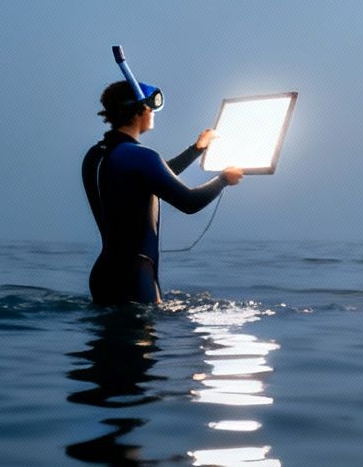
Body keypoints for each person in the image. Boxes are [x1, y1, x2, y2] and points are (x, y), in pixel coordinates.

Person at [81, 79, 242, 305]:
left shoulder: (96, 155)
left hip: (103, 274)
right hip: (136, 276)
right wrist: (223, 179)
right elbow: (189, 202)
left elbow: (153, 175)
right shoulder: (141, 156)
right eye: (152, 109)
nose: (153, 114)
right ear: (143, 109)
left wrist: (197, 149)